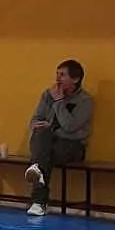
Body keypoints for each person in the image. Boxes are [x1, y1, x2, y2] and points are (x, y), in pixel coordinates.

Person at [24, 59, 94, 219]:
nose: (57, 79)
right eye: (57, 74)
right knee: (42, 139)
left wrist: (59, 103)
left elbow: (70, 127)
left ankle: (38, 196)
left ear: (75, 79)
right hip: (48, 145)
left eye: (62, 75)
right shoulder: (47, 95)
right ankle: (38, 198)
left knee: (43, 153)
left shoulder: (85, 101)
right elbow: (35, 120)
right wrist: (41, 126)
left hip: (73, 147)